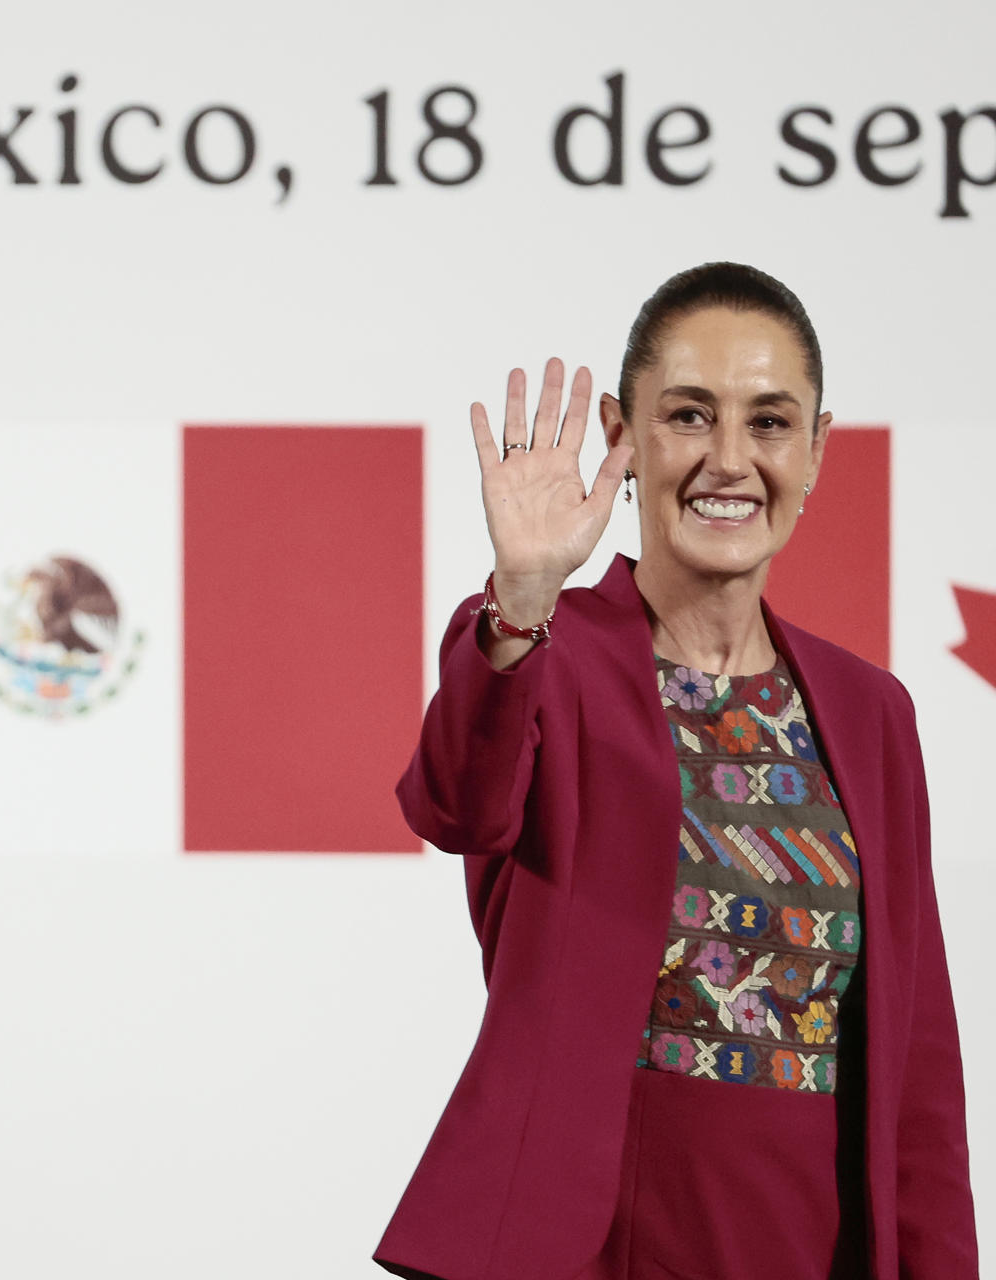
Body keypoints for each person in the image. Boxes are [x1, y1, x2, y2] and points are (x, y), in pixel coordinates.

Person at [374, 264, 976, 1279]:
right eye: (689, 415)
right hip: (584, 1250)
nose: (729, 459)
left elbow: (918, 1065)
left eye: (770, 422)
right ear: (623, 435)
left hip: (808, 1243)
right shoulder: (544, 654)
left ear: (817, 450)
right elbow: (455, 807)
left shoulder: (872, 710)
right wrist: (521, 599)